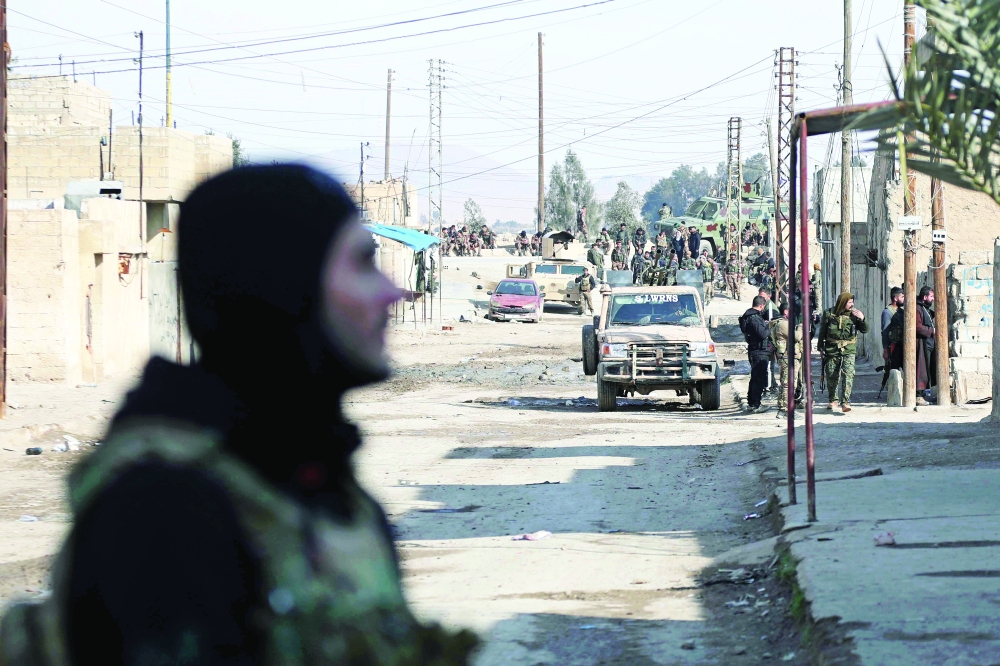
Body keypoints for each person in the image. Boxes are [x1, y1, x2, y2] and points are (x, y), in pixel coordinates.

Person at [0, 165, 479, 665]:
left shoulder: (317, 486)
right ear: (283, 284)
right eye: (362, 264)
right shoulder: (167, 509)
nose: (391, 293)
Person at [817, 292, 869, 413]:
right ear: (843, 302)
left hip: (848, 349)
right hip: (832, 349)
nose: (852, 304)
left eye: (852, 302)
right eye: (849, 302)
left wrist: (862, 318)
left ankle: (845, 402)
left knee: (848, 374)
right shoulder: (829, 314)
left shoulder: (854, 315)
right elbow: (822, 332)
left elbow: (865, 330)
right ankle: (833, 400)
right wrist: (820, 348)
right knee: (831, 374)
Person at [740, 296, 775, 413]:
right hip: (759, 352)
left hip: (757, 351)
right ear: (761, 305)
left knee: (755, 378)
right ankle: (755, 404)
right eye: (764, 306)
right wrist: (770, 327)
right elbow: (762, 334)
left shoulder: (752, 316)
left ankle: (752, 403)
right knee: (758, 379)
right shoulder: (754, 318)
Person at [771, 301, 804, 419]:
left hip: (787, 357)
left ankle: (782, 409)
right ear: (786, 312)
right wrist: (801, 327)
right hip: (788, 357)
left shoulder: (782, 323)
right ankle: (787, 411)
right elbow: (797, 337)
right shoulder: (783, 324)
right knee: (789, 385)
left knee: (786, 384)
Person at [881, 286, 904, 360]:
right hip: (894, 346)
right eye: (902, 297)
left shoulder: (902, 310)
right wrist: (885, 350)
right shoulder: (887, 312)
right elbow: (885, 331)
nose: (904, 299)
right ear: (895, 298)